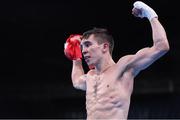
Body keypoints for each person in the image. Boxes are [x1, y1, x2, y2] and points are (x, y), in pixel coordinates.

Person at [64, 1, 170, 119]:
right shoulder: (90, 76)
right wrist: (76, 58)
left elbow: (161, 47)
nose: (83, 51)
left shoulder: (123, 68)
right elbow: (77, 81)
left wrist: (150, 14)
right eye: (82, 47)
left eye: (88, 45)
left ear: (104, 47)